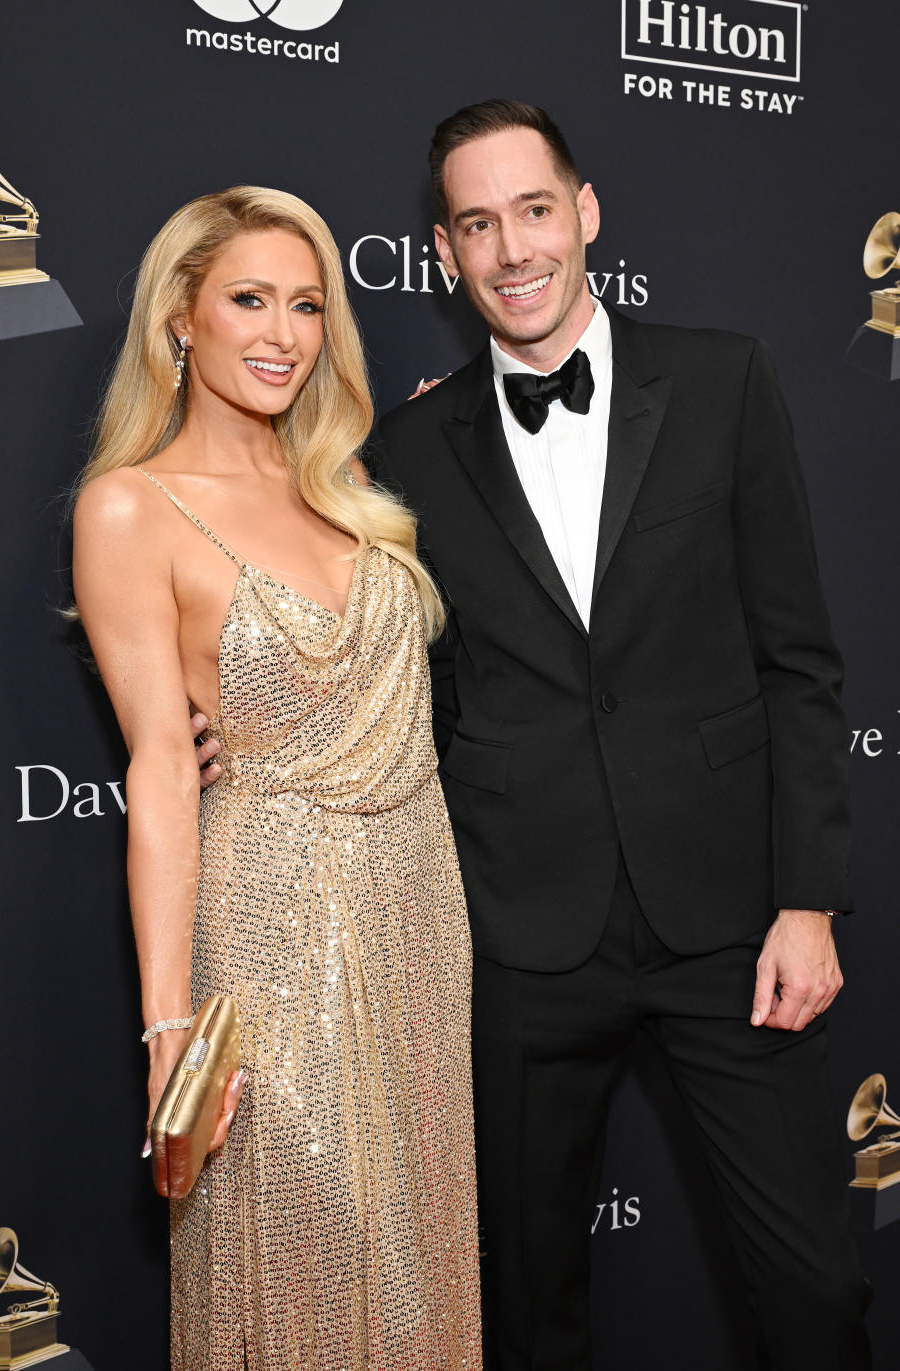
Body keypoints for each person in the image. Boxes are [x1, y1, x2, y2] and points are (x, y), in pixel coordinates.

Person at [365, 101, 871, 1371]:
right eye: (478, 225)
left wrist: (807, 898)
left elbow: (800, 662)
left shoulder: (723, 379)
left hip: (731, 927)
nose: (513, 249)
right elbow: (384, 684)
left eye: (534, 211)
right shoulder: (406, 449)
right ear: (445, 253)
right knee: (524, 1310)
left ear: (584, 215)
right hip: (523, 938)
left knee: (814, 1287)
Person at [72, 185, 481, 1371]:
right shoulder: (129, 508)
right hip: (270, 930)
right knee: (294, 1264)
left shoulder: (350, 491)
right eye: (250, 298)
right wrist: (167, 1028)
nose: (284, 332)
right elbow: (159, 765)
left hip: (420, 918)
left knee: (419, 1276)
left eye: (308, 304)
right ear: (181, 319)